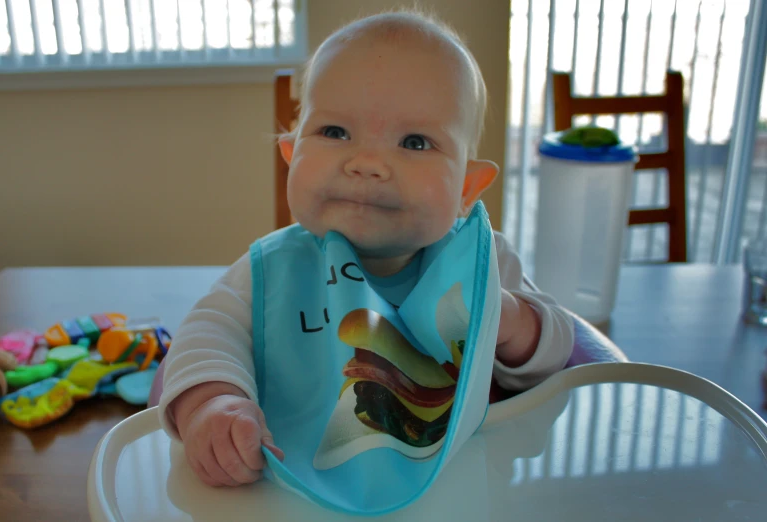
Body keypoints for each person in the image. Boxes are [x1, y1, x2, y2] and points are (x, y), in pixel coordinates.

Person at [157, 9, 574, 488]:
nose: (368, 163)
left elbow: (563, 347)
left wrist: (508, 319)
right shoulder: (272, 270)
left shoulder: (482, 265)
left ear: (467, 187)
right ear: (291, 153)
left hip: (457, 486)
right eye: (334, 133)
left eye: (415, 142)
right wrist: (213, 403)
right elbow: (207, 333)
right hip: (290, 480)